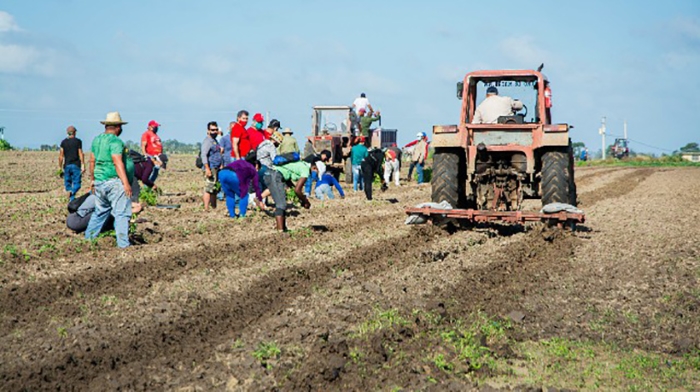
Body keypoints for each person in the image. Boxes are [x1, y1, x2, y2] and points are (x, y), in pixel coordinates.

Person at [84, 112, 134, 248]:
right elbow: (118, 162)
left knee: (99, 212)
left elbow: (92, 161)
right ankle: (123, 245)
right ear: (117, 127)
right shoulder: (116, 141)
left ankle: (88, 240)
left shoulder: (97, 140)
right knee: (122, 214)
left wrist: (92, 180)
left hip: (99, 182)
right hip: (113, 182)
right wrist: (126, 183)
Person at [257, 131, 310, 231]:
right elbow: (298, 190)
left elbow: (288, 179)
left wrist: (297, 194)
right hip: (273, 172)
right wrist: (305, 201)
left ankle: (283, 228)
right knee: (281, 204)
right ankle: (280, 231)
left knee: (281, 201)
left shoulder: (263, 143)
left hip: (267, 171)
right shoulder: (305, 169)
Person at [201, 121, 224, 211]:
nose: (214, 131)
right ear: (208, 131)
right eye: (212, 130)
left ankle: (214, 207)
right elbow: (204, 155)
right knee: (208, 188)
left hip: (216, 167)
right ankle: (206, 208)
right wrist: (207, 169)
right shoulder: (207, 141)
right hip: (210, 167)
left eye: (216, 129)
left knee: (214, 189)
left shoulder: (215, 141)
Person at [58, 125, 85, 201]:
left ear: (67, 133)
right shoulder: (78, 141)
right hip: (76, 165)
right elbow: (80, 153)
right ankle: (72, 193)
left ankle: (71, 199)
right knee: (77, 184)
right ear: (75, 133)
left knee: (68, 184)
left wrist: (60, 167)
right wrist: (83, 165)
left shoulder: (63, 142)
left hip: (67, 165)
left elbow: (61, 156)